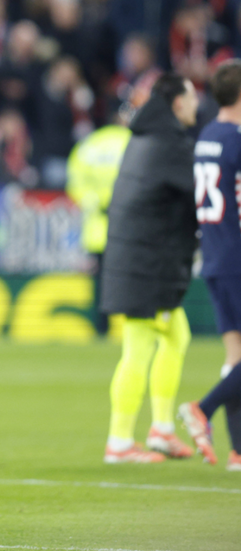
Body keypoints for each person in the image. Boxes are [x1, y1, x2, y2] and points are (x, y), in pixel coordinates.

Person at [100, 73, 199, 464]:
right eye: (192, 97)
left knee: (177, 337)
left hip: (139, 259)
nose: (196, 105)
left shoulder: (145, 138)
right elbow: (201, 193)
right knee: (139, 347)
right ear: (176, 102)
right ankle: (120, 442)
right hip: (148, 264)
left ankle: (161, 429)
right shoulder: (169, 145)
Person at [178, 59, 241, 470]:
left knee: (236, 358)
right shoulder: (237, 139)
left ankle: (238, 450)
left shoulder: (207, 137)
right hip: (237, 256)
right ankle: (202, 408)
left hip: (214, 256)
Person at [65, 118, 132, 336]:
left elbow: (74, 184)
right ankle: (129, 328)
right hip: (127, 228)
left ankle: (100, 328)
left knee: (100, 284)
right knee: (130, 279)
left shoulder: (88, 145)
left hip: (96, 230)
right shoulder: (130, 141)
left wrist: (94, 202)